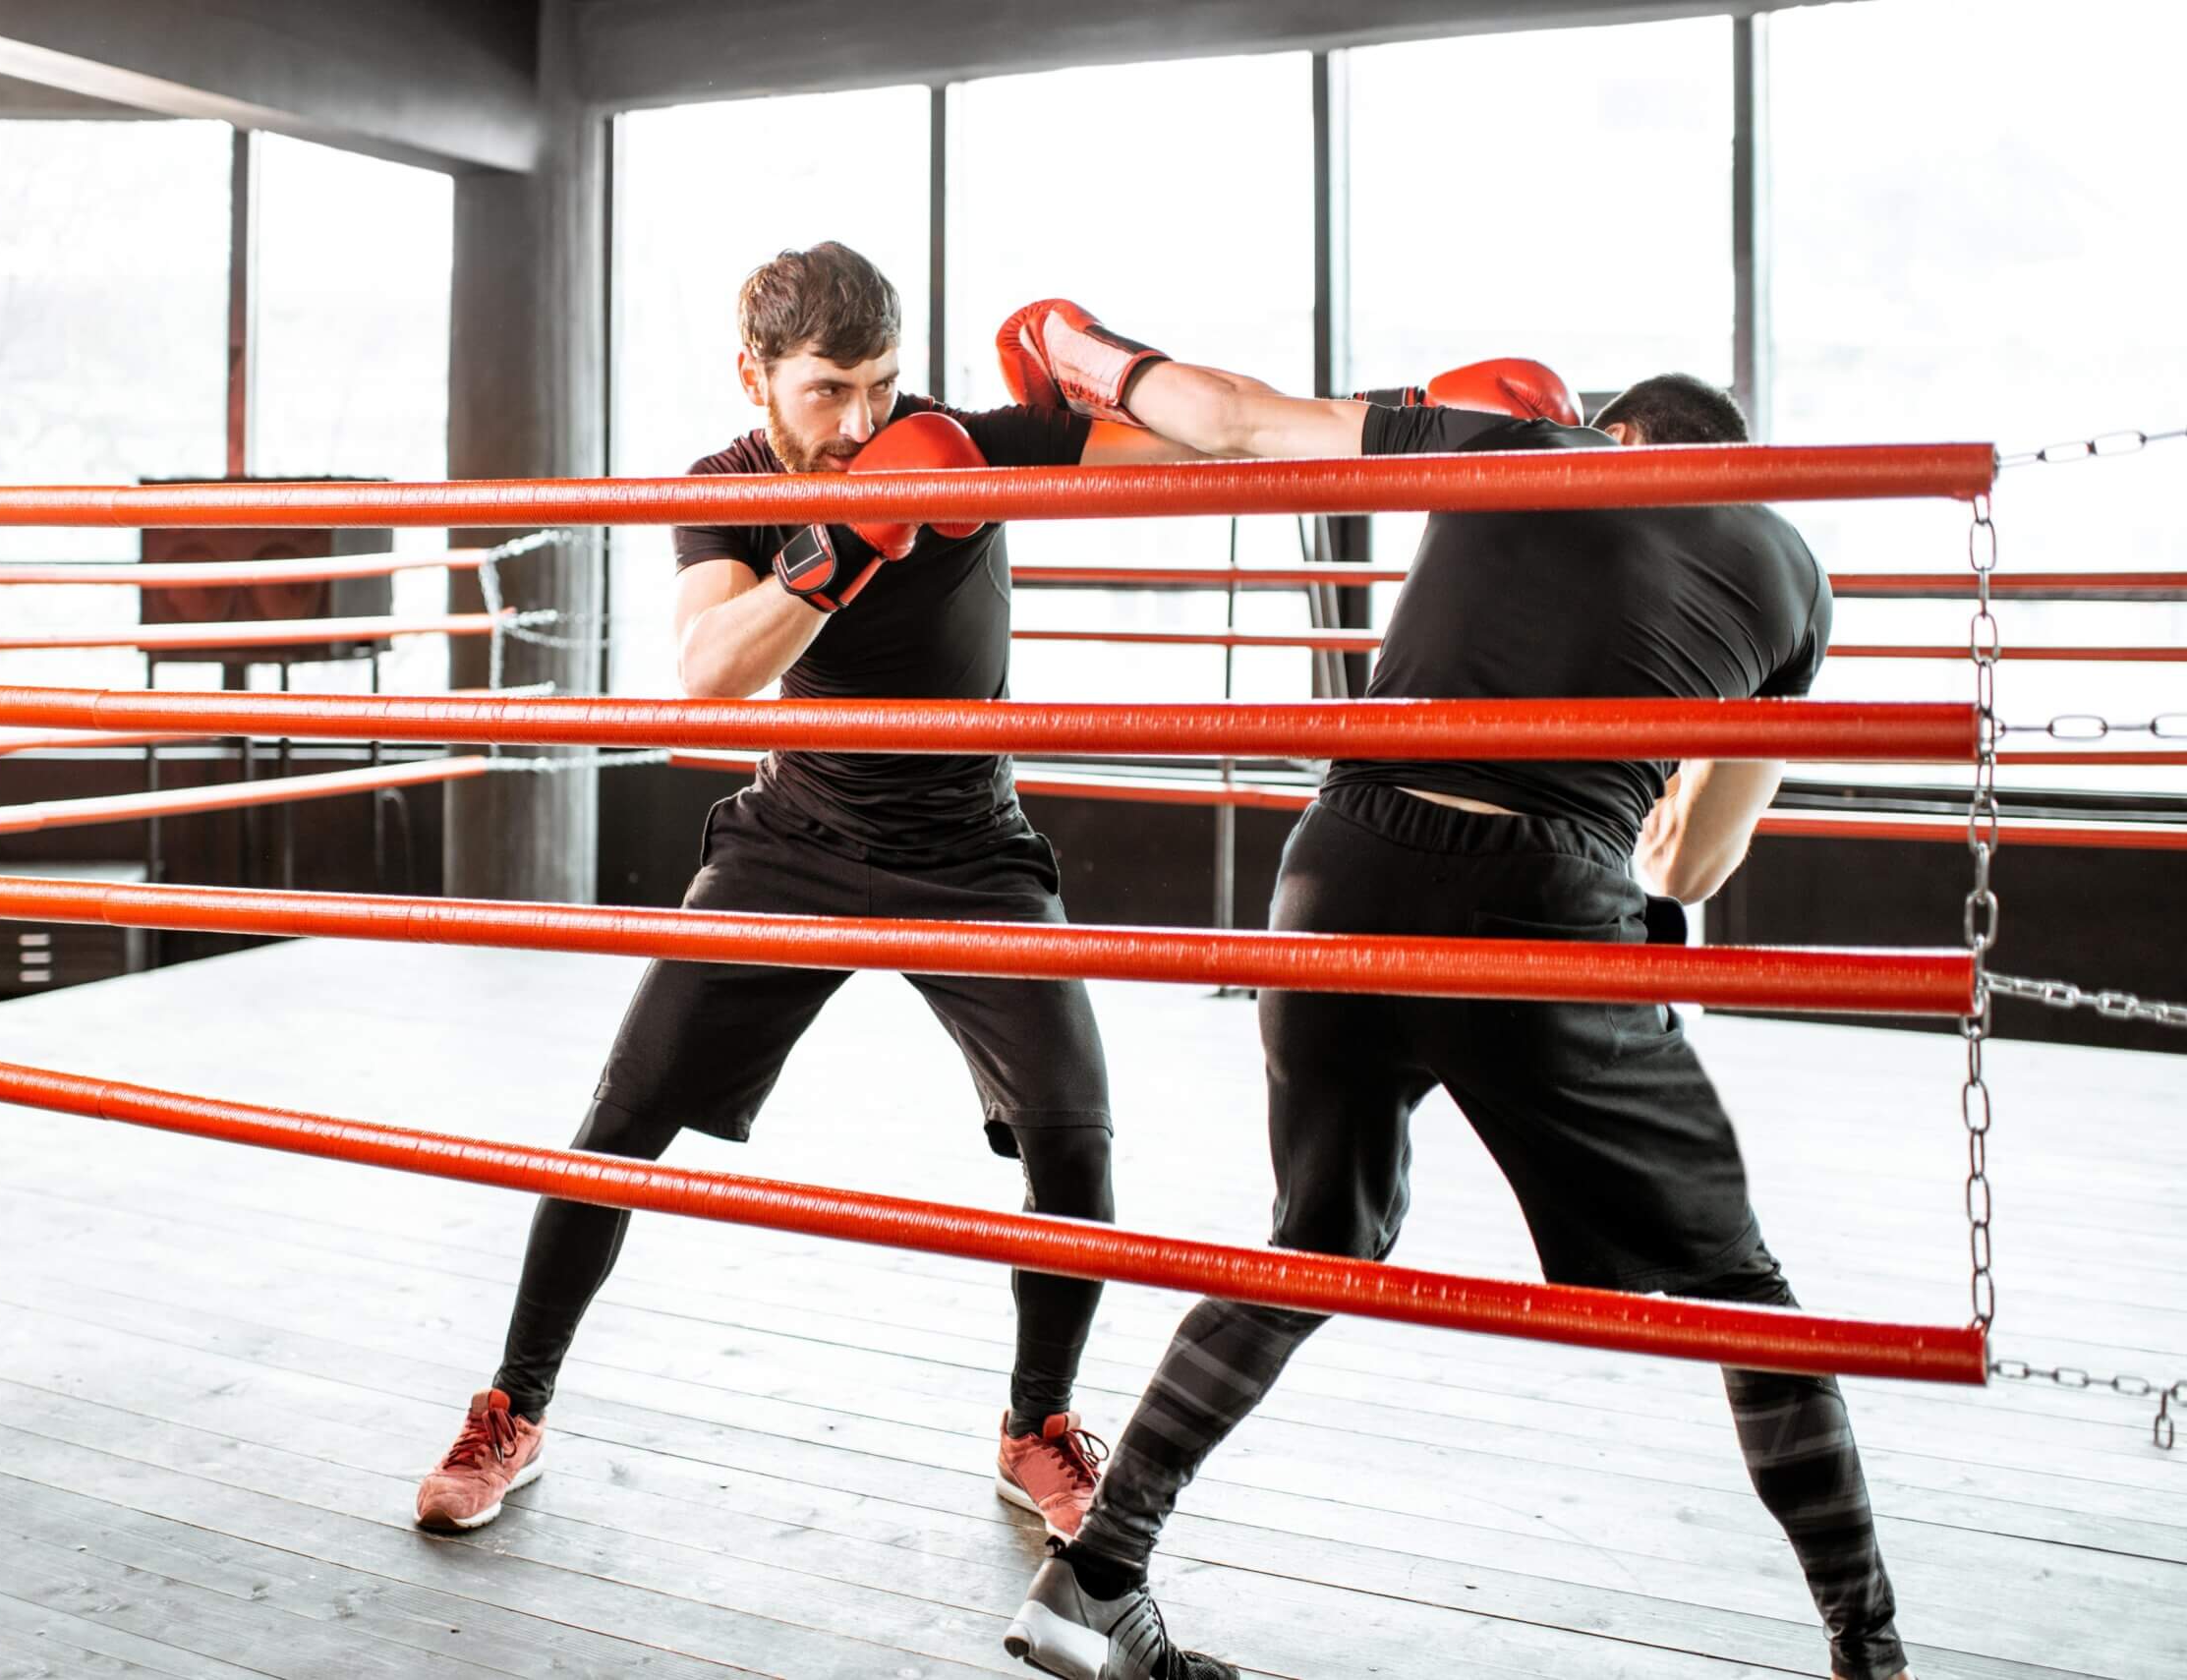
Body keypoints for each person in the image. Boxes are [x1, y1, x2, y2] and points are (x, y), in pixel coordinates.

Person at [991, 301, 1910, 1680]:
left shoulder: (1515, 439)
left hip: (1341, 859)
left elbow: (1238, 421)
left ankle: (1098, 1572)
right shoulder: (1792, 575)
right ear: (1739, 467)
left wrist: (1093, 356)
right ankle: (1871, 1653)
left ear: (1612, 433)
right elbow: (1699, 863)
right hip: (1540, 899)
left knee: (1319, 1239)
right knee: (1743, 1288)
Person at [413, 248, 1206, 1545]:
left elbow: (1196, 461)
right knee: (621, 1117)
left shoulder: (957, 445)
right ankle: (514, 1404)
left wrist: (1101, 366)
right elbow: (708, 669)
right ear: (757, 376)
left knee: (1077, 1129)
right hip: (800, 838)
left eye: (883, 388)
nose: (863, 425)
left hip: (971, 849)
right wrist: (844, 540)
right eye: (832, 391)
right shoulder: (727, 487)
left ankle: (1037, 1425)